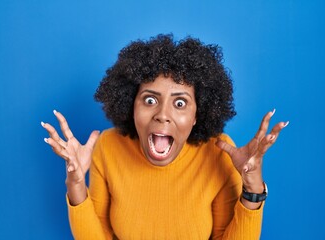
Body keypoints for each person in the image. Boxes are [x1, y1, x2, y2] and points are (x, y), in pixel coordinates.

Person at [41, 34, 288, 239]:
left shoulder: (218, 152)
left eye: (180, 103)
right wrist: (75, 184)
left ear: (196, 115)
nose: (162, 115)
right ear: (131, 105)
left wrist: (253, 188)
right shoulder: (108, 146)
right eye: (150, 100)